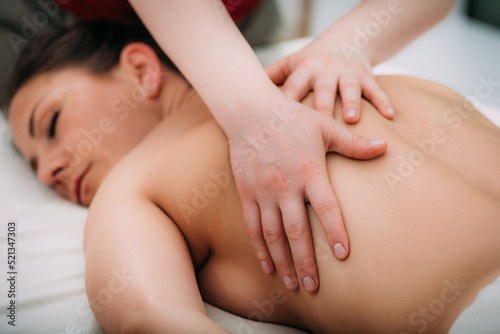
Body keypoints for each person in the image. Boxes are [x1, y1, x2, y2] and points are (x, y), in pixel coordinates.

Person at [4, 21, 500, 333]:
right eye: (34, 168)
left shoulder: (132, 186)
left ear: (140, 69)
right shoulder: (377, 81)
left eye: (50, 125)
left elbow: (147, 318)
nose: (49, 169)